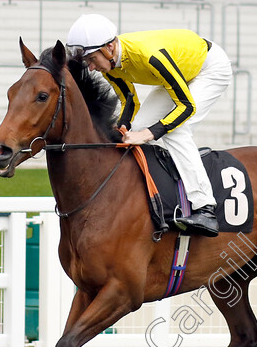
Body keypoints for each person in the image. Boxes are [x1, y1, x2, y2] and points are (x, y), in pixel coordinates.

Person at [66, 14, 233, 237]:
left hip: (209, 69)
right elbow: (129, 100)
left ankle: (205, 209)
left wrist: (149, 134)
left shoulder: (150, 56)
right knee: (135, 130)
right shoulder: (111, 65)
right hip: (180, 71)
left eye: (92, 59)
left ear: (109, 47)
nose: (92, 68)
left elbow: (186, 106)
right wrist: (124, 126)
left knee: (176, 131)